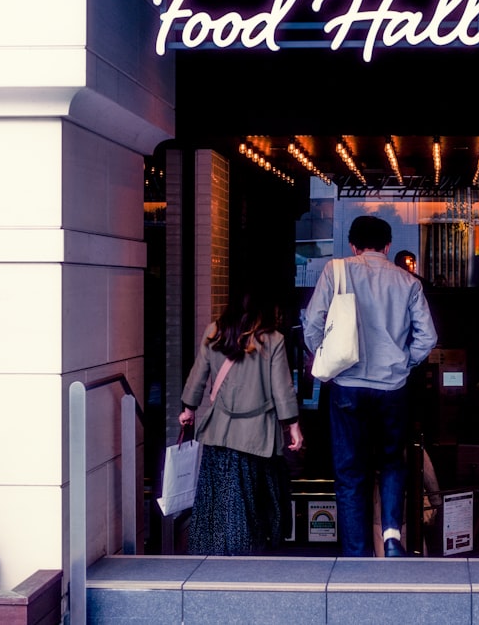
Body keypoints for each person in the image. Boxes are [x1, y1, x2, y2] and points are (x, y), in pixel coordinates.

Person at [303, 215, 438, 557]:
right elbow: (429, 337)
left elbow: (312, 326)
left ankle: (357, 554)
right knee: (392, 462)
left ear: (352, 245)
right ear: (388, 246)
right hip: (392, 387)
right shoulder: (407, 282)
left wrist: (328, 363)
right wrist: (403, 362)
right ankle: (392, 538)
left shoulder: (336, 271)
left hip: (347, 385)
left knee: (351, 472)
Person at [177, 288, 304, 556]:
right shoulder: (273, 339)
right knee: (251, 503)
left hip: (220, 434)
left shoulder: (214, 332)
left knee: (219, 502)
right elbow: (282, 389)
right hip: (257, 437)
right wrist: (292, 425)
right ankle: (247, 555)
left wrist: (189, 408)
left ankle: (213, 556)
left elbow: (198, 374)